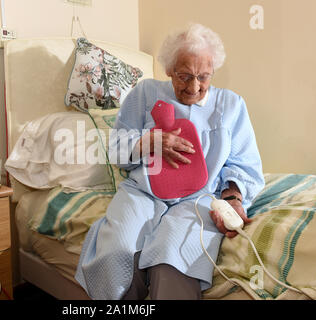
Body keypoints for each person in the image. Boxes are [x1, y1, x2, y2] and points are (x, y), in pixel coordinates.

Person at [75, 23, 265, 300]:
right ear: (168, 69)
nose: (194, 87)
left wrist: (233, 197)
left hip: (199, 198)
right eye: (184, 76)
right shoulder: (145, 94)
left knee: (172, 258)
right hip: (143, 192)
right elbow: (117, 150)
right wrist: (148, 141)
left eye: (204, 77)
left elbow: (243, 163)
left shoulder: (231, 105)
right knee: (117, 251)